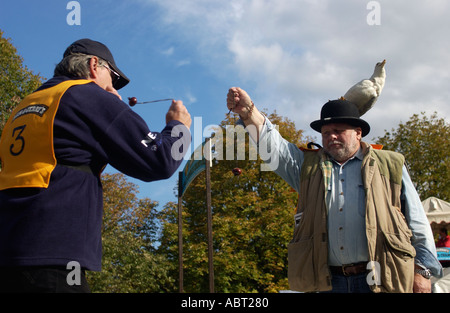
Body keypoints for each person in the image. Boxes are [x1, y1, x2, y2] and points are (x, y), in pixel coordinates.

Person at [0, 39, 191, 292]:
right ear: (93, 66)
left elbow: (63, 160)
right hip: (54, 258)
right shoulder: (86, 96)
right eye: (111, 78)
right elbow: (159, 161)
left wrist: (108, 109)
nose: (113, 89)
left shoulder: (25, 106)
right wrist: (179, 127)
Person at [226, 87, 442, 293]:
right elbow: (276, 148)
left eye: (338, 131)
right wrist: (248, 113)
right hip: (330, 281)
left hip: (383, 277)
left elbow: (418, 223)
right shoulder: (308, 168)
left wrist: (423, 270)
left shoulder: (390, 165)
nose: (331, 137)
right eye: (326, 132)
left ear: (358, 133)